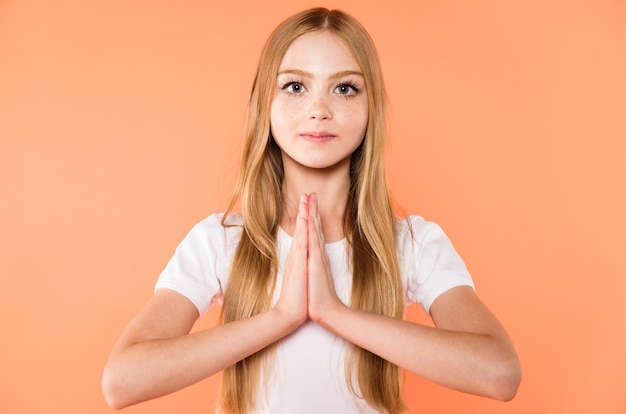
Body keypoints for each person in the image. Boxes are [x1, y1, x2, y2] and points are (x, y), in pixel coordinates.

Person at [102, 7, 521, 413]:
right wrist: (282, 316)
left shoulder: (411, 243)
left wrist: (334, 312)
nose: (319, 109)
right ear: (263, 103)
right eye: (296, 87)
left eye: (344, 88)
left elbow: (499, 373)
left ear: (370, 106)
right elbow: (122, 381)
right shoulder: (221, 240)